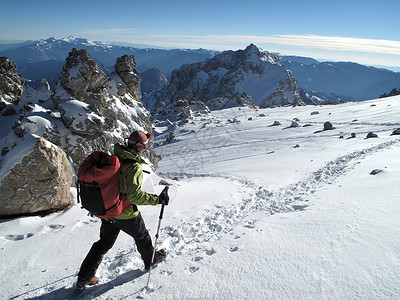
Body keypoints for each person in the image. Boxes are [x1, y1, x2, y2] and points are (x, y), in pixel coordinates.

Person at [75, 130, 169, 292]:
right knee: (143, 237)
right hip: (125, 212)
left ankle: (85, 276)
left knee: (104, 243)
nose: (145, 149)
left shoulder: (115, 157)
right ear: (139, 148)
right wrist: (157, 199)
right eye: (144, 146)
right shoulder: (133, 166)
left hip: (108, 211)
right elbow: (135, 196)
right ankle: (152, 260)